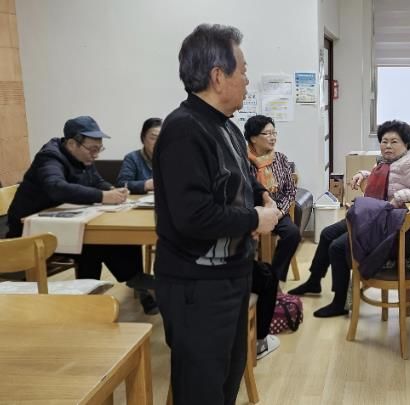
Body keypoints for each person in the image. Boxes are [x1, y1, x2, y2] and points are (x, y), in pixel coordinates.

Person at [153, 24, 279, 404]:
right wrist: (254, 219)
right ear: (218, 76)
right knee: (202, 389)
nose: (247, 80)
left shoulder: (226, 127)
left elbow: (242, 178)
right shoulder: (184, 130)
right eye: (243, 71)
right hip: (197, 286)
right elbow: (193, 216)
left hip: (231, 276)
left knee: (226, 380)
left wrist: (263, 198)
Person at [6, 115, 158, 314]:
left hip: (62, 225)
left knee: (107, 239)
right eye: (92, 149)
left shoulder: (83, 158)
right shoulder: (50, 157)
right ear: (72, 144)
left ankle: (103, 294)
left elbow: (97, 181)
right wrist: (103, 196)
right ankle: (132, 282)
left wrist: (112, 190)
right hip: (29, 231)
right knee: (93, 244)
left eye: (99, 149)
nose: (96, 155)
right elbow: (56, 187)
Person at [288, 120, 410, 317]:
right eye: (384, 141)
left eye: (394, 142)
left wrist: (399, 197)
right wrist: (363, 174)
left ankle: (340, 303)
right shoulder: (386, 162)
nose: (388, 146)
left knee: (338, 247)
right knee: (327, 234)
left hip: (389, 229)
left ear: (406, 144)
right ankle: (314, 281)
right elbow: (386, 177)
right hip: (372, 219)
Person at [244, 115, 301, 282]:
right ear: (253, 138)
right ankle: (250, 279)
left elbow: (290, 191)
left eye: (274, 133)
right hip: (253, 211)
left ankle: (274, 279)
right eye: (267, 133)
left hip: (278, 210)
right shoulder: (243, 161)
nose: (273, 137)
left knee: (293, 234)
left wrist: (279, 212)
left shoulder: (280, 159)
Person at [116, 117, 162, 194]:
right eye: (153, 138)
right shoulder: (132, 158)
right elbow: (121, 184)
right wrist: (146, 185)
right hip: (140, 200)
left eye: (162, 138)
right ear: (143, 138)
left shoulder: (170, 158)